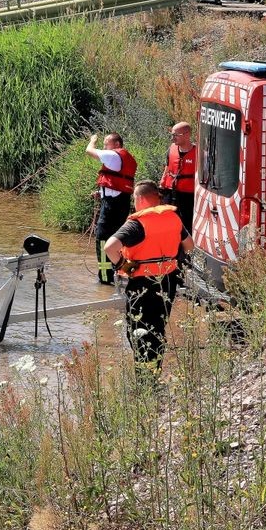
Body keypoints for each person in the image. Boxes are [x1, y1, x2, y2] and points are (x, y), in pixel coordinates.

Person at [104, 181, 194, 371]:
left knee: (137, 331)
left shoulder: (136, 224)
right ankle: (155, 371)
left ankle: (143, 376)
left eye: (134, 199)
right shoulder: (173, 217)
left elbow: (109, 248)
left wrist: (125, 267)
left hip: (142, 284)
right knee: (157, 329)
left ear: (141, 199)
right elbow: (189, 246)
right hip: (167, 282)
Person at [86, 132, 137, 285]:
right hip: (119, 202)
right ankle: (128, 270)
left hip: (112, 206)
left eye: (106, 143)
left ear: (116, 144)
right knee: (116, 239)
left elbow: (89, 150)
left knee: (102, 240)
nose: (104, 146)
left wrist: (92, 141)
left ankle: (106, 278)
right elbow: (117, 185)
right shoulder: (123, 158)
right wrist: (101, 193)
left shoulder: (114, 156)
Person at [159, 121, 197, 236]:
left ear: (187, 135)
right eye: (172, 135)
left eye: (176, 135)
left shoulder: (198, 153)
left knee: (186, 224)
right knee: (166, 221)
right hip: (170, 191)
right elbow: (168, 166)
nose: (172, 138)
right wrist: (162, 184)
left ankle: (187, 251)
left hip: (188, 194)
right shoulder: (172, 149)